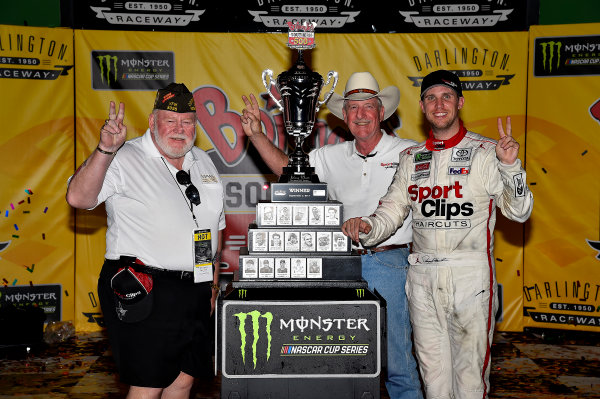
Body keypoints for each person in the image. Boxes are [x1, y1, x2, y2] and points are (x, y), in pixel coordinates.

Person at [341, 69, 534, 399]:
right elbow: (391, 210)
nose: (439, 104)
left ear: (460, 103)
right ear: (422, 106)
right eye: (431, 97)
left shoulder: (487, 152)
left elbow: (519, 211)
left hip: (469, 277)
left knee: (470, 380)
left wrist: (511, 166)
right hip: (421, 277)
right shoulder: (412, 158)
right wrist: (369, 227)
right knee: (434, 379)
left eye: (446, 96)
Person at [240, 72, 422, 398]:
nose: (361, 114)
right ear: (345, 116)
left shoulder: (409, 152)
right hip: (341, 263)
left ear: (382, 112)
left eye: (368, 107)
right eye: (353, 108)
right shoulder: (329, 156)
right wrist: (256, 137)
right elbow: (289, 171)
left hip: (391, 261)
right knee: (338, 355)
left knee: (398, 359)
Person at [66, 83, 225, 399]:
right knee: (148, 385)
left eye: (187, 122)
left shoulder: (203, 162)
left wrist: (212, 286)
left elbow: (210, 230)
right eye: (171, 120)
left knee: (183, 381)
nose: (180, 129)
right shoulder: (124, 157)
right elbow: (78, 197)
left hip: (195, 288)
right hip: (142, 286)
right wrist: (105, 150)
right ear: (152, 122)